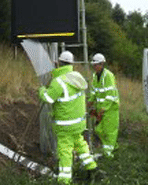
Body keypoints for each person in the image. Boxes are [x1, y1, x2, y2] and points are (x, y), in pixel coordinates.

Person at [39, 51, 105, 184]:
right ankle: (93, 169)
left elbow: (48, 98)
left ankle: (64, 179)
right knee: (80, 144)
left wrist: (41, 90)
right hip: (78, 124)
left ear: (59, 63)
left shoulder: (59, 81)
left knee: (65, 151)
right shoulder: (77, 77)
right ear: (71, 64)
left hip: (65, 125)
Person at [88, 53, 120, 159]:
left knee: (109, 132)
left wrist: (102, 109)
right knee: (99, 130)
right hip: (101, 108)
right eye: (94, 65)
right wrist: (90, 102)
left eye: (96, 65)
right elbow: (94, 92)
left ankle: (109, 155)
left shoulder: (108, 76)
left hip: (110, 109)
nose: (94, 67)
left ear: (102, 64)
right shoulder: (94, 76)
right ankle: (113, 147)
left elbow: (110, 96)